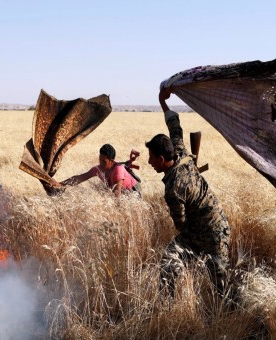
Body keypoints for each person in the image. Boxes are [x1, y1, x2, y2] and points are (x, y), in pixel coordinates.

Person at [146, 87, 231, 296]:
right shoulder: (181, 152)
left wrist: (192, 250)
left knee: (220, 286)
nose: (149, 162)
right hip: (207, 226)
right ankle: (168, 305)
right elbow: (174, 125)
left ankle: (238, 317)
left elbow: (181, 224)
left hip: (213, 232)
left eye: (151, 158)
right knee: (169, 261)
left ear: (163, 160)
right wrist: (162, 101)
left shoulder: (173, 189)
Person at [59, 144, 141, 197]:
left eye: (104, 161)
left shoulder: (118, 169)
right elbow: (80, 177)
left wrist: (115, 210)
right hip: (122, 192)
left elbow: (117, 190)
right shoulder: (98, 169)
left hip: (133, 190)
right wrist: (60, 184)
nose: (101, 163)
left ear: (111, 161)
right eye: (100, 160)